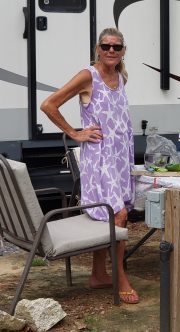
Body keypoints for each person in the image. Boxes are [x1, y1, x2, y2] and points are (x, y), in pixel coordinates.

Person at [41, 27, 139, 304]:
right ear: (97, 48)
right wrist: (74, 132)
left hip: (120, 157)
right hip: (100, 160)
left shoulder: (121, 77)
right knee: (117, 214)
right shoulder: (89, 76)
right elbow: (49, 104)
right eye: (106, 46)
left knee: (110, 214)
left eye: (116, 47)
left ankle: (98, 274)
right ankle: (120, 278)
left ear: (123, 51)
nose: (111, 51)